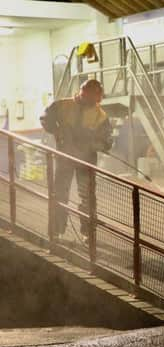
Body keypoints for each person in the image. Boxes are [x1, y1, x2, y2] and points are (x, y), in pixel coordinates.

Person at [40, 79, 112, 239]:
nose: (97, 101)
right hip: (64, 157)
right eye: (95, 97)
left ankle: (88, 233)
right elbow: (45, 118)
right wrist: (57, 131)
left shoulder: (100, 115)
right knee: (59, 193)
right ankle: (56, 230)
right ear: (84, 92)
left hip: (86, 161)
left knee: (87, 197)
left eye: (98, 98)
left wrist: (97, 144)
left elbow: (107, 140)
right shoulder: (62, 106)